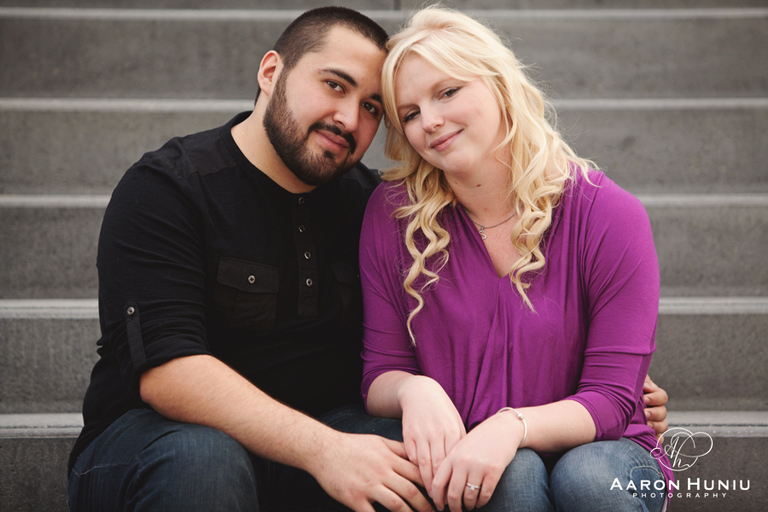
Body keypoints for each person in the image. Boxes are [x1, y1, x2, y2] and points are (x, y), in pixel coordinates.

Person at [68, 6, 669, 512]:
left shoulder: (370, 201)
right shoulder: (168, 188)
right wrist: (335, 442)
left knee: (441, 468)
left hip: (330, 437)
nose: (350, 119)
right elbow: (169, 371)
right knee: (205, 461)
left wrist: (591, 374)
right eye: (334, 85)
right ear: (271, 71)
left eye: (375, 107)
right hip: (164, 446)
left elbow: (574, 366)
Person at [360, 6, 672, 512]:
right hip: (472, 454)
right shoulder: (395, 215)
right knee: (510, 476)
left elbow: (614, 400)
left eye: (447, 92)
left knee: (587, 479)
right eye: (411, 114)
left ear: (500, 85)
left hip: (605, 450)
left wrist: (511, 425)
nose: (431, 121)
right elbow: (381, 372)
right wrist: (413, 391)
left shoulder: (608, 213)